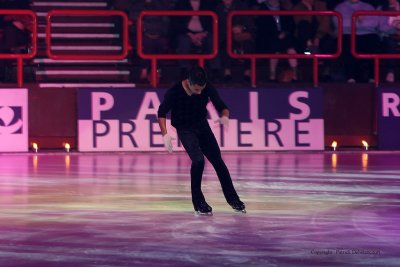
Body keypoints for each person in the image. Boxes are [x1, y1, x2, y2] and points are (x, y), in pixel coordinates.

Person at [157, 66, 245, 215]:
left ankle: (233, 199)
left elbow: (221, 105)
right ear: (189, 83)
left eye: (201, 89)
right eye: (196, 89)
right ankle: (198, 202)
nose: (199, 92)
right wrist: (165, 134)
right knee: (198, 161)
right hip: (185, 128)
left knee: (218, 161)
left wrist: (225, 116)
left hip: (202, 126)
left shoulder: (206, 87)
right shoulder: (174, 91)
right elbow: (161, 112)